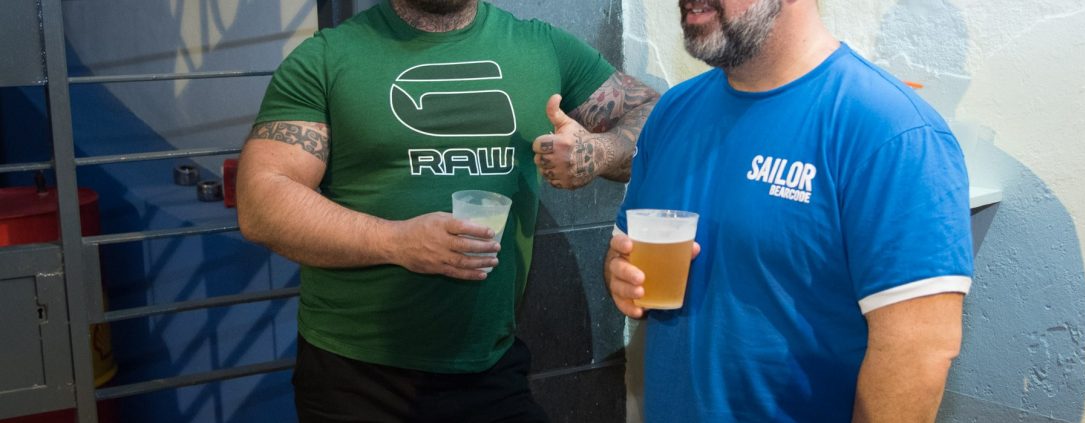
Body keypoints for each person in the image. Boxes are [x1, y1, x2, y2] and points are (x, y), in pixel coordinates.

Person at [236, 0, 658, 421]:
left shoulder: (541, 46)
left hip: (491, 366)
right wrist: (396, 242)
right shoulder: (327, 57)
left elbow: (658, 117)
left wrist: (598, 152)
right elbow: (261, 201)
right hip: (357, 377)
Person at [605, 0, 973, 421]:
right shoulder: (674, 110)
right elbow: (622, 255)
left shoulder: (891, 131)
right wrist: (618, 274)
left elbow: (918, 353)